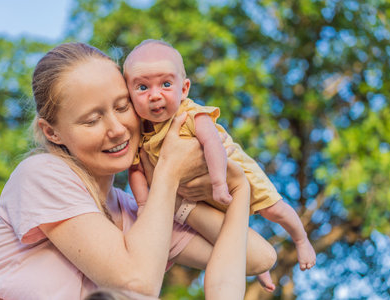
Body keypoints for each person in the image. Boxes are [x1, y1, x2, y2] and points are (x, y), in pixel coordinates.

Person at [0, 42, 275, 300]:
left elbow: (257, 257)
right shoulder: (41, 174)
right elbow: (134, 282)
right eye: (91, 120)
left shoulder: (136, 213)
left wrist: (237, 187)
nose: (116, 130)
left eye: (122, 107)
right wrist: (169, 170)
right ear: (52, 133)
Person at [124, 39, 316, 288]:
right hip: (199, 195)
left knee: (273, 209)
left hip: (232, 174)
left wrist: (218, 182)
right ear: (129, 94)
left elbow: (212, 144)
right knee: (225, 232)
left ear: (184, 89)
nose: (155, 95)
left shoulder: (190, 114)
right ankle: (257, 268)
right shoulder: (141, 134)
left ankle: (301, 239)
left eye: (166, 84)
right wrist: (142, 205)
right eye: (142, 87)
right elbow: (136, 169)